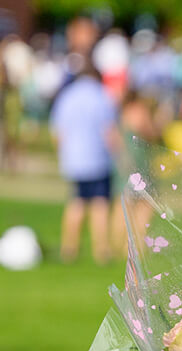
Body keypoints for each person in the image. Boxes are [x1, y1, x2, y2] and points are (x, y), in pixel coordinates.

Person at [48, 58, 118, 264]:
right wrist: (119, 156)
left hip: (73, 158)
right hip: (97, 157)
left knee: (77, 201)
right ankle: (101, 250)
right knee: (100, 203)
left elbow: (57, 132)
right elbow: (109, 131)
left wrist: (63, 154)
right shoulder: (103, 96)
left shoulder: (67, 96)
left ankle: (69, 249)